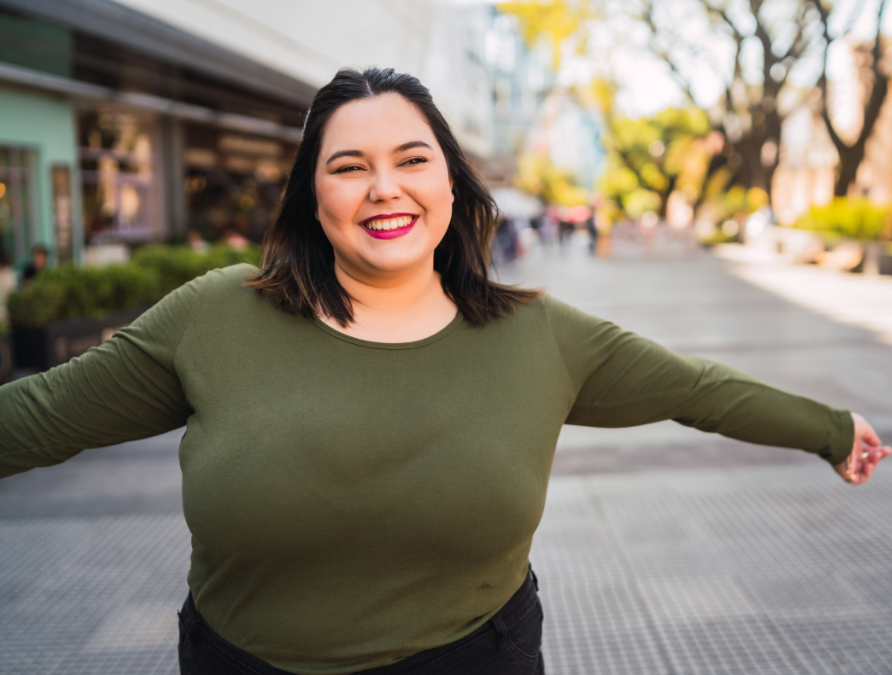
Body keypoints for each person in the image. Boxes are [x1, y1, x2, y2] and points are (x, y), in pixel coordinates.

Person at [0, 68, 888, 675]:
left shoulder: (542, 336)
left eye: (412, 159)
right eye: (349, 167)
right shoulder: (216, 315)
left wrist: (828, 429)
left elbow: (698, 389)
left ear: (452, 184)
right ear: (315, 197)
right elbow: (35, 417)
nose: (384, 187)